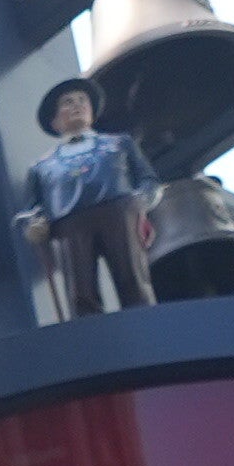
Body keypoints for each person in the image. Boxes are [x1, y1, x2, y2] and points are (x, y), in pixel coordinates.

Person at [28, 79, 154, 316]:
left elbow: (148, 180)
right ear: (55, 121)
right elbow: (32, 209)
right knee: (80, 291)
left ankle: (145, 323)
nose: (77, 105)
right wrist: (34, 225)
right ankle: (90, 338)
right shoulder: (41, 166)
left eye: (82, 100)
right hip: (69, 224)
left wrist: (140, 202)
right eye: (67, 102)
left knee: (132, 278)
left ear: (92, 112)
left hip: (119, 213)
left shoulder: (119, 144)